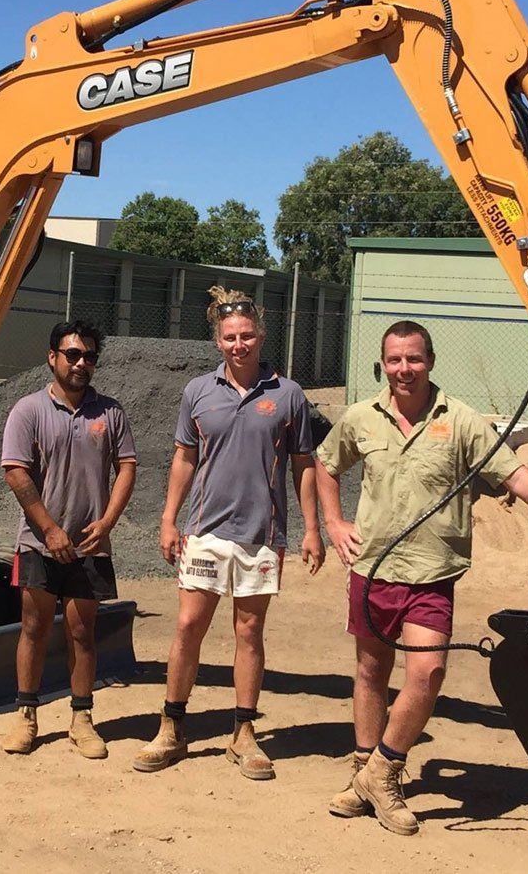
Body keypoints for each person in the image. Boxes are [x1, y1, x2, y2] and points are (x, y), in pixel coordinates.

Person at [316, 320, 528, 835]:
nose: (404, 369)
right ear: (383, 364)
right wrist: (333, 521)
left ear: (430, 362)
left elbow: (514, 474)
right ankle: (362, 770)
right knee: (371, 673)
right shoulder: (360, 418)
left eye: (413, 359)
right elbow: (326, 466)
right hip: (373, 568)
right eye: (394, 360)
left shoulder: (460, 420)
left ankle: (383, 771)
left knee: (428, 675)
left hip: (431, 574)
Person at [133, 287, 325, 780]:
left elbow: (304, 464)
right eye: (229, 337)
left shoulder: (289, 394)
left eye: (247, 335)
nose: (239, 344)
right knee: (187, 627)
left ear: (261, 336)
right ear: (217, 342)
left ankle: (244, 733)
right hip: (204, 530)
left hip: (261, 534)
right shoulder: (198, 391)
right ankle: (171, 727)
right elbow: (184, 457)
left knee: (249, 631)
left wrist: (310, 529)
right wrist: (168, 518)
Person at [0, 320, 137, 759]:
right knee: (34, 629)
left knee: (83, 632)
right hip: (38, 545)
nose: (81, 363)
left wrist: (108, 522)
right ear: (52, 357)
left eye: (89, 356)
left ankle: (82, 718)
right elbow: (16, 473)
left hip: (90, 546)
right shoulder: (28, 410)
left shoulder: (110, 412)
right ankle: (26, 715)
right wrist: (49, 529)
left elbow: (127, 467)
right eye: (72, 354)